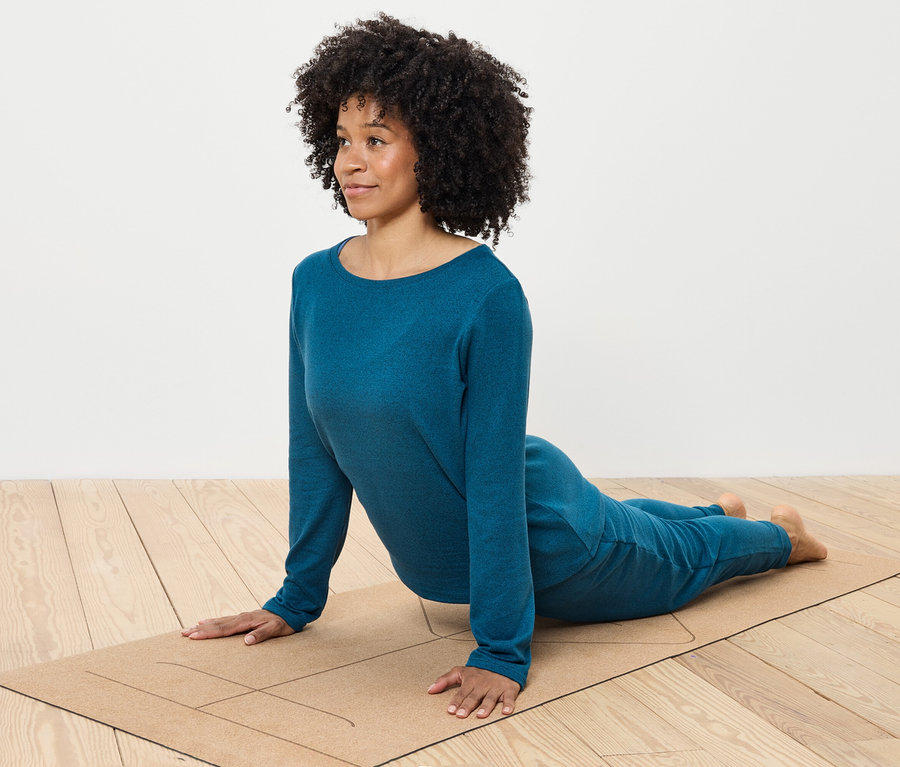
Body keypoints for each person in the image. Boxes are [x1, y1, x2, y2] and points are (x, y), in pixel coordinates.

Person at [182, 13, 828, 721]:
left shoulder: (486, 294)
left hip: (551, 538)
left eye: (377, 140)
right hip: (498, 535)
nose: (349, 161)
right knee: (648, 527)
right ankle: (710, 512)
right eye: (341, 140)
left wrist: (500, 648)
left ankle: (777, 536)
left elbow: (491, 482)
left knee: (683, 562)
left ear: (436, 151)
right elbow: (315, 455)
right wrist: (295, 601)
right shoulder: (315, 283)